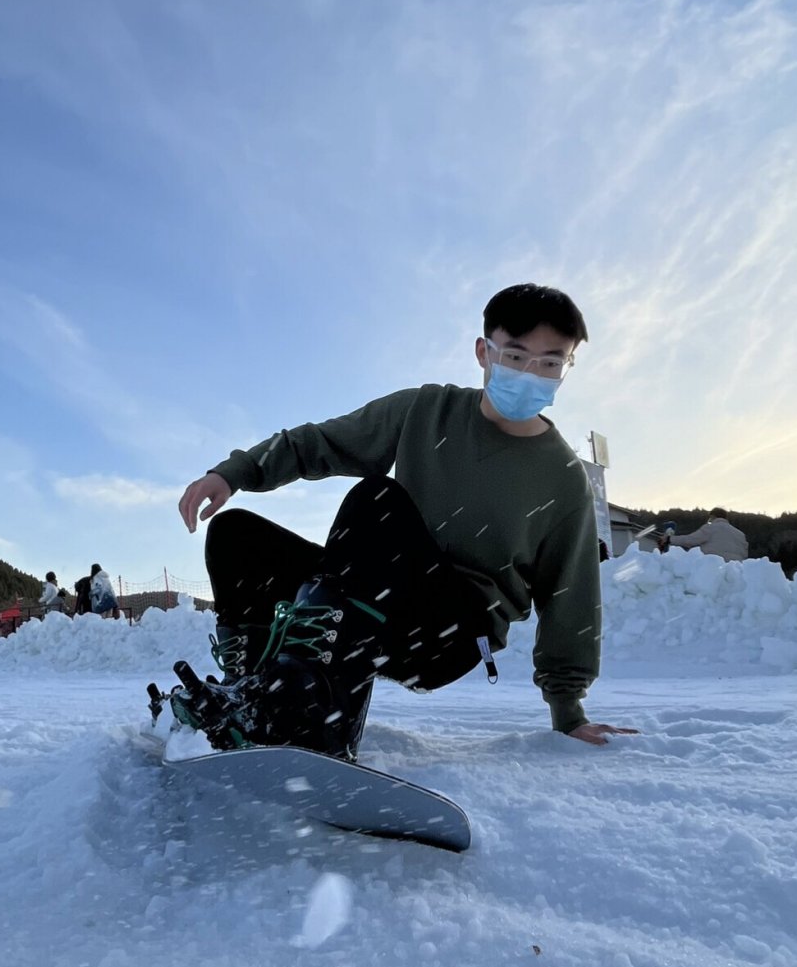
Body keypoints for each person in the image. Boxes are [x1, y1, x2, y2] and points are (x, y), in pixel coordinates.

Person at [177, 283, 638, 760]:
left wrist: (569, 711)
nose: (530, 375)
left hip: (450, 635)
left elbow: (571, 598)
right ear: (484, 352)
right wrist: (233, 474)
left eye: (550, 363)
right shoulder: (427, 410)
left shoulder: (561, 478)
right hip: (372, 609)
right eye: (517, 357)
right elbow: (323, 442)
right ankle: (247, 700)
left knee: (377, 501)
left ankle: (313, 720)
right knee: (236, 536)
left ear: (567, 368)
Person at [668, 508, 748, 562]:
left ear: (712, 516)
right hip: (735, 572)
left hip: (713, 567)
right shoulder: (740, 534)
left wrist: (669, 539)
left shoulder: (710, 528)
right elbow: (744, 555)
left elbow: (690, 540)